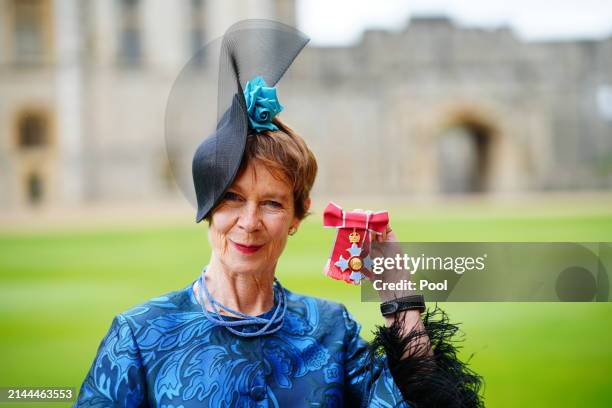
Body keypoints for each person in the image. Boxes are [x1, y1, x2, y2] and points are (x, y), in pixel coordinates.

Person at [75, 21, 483, 408]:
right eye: (232, 198)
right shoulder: (140, 336)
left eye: (272, 203)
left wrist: (399, 294)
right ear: (208, 210)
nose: (249, 222)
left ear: (296, 217)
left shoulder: (332, 332)